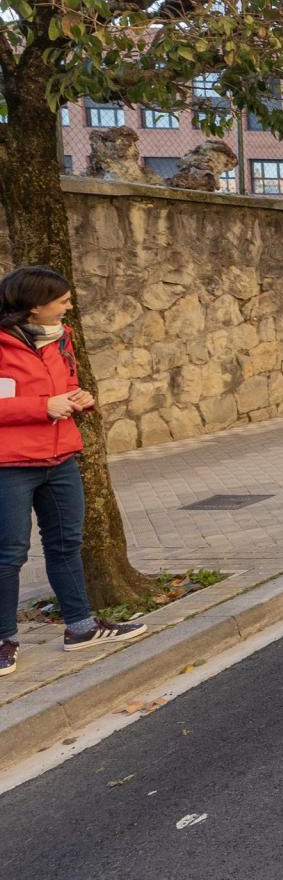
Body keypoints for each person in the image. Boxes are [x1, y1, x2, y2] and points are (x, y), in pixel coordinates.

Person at [0, 266, 147, 677]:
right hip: (9, 466)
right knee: (8, 555)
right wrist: (40, 407)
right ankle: (3, 640)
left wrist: (80, 397)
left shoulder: (60, 338)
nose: (70, 305)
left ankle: (81, 629)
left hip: (60, 457)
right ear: (34, 306)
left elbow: (66, 383)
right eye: (62, 300)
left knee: (66, 545)